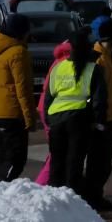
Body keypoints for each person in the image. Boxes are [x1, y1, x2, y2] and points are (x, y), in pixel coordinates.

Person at [45, 31, 106, 196]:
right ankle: (72, 198)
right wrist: (99, 123)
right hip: (79, 120)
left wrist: (48, 120)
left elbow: (49, 96)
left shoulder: (58, 67)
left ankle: (53, 197)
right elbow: (99, 100)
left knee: (57, 162)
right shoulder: (94, 69)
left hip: (56, 119)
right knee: (74, 162)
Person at [0, 13, 36, 182]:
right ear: (22, 32)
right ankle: (2, 191)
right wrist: (29, 118)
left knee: (3, 157)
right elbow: (23, 89)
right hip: (12, 114)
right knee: (16, 159)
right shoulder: (18, 52)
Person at [85, 18, 112, 212]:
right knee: (97, 164)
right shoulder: (97, 60)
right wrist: (95, 121)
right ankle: (92, 199)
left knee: (106, 163)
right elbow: (91, 94)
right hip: (100, 122)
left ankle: (95, 196)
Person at [36, 39, 73, 186]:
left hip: (48, 109)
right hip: (54, 111)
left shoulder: (59, 60)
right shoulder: (66, 63)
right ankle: (40, 186)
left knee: (56, 152)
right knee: (57, 154)